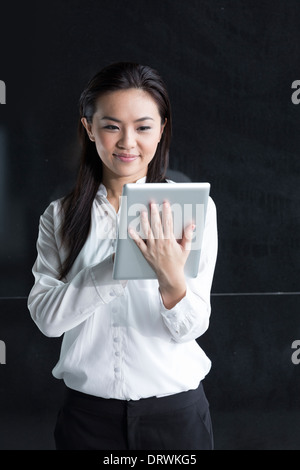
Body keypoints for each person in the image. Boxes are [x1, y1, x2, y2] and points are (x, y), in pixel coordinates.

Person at [27, 62, 218, 450]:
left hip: (175, 419)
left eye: (143, 127)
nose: (127, 142)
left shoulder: (194, 210)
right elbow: (48, 320)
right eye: (112, 126)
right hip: (87, 422)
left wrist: (171, 279)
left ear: (161, 129)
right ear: (89, 129)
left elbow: (192, 327)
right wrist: (120, 266)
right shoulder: (61, 216)